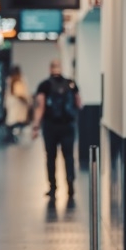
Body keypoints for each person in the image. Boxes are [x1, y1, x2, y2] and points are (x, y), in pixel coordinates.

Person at [32, 60, 82, 197]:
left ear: (50, 68)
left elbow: (40, 107)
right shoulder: (71, 84)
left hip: (50, 126)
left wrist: (36, 125)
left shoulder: (44, 85)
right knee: (69, 156)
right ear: (61, 68)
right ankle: (70, 184)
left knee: (50, 157)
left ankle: (53, 187)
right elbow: (79, 104)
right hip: (68, 126)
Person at [3, 65, 31, 143]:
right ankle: (10, 137)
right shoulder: (17, 79)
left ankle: (10, 136)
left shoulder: (11, 79)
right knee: (13, 120)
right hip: (17, 102)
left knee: (12, 121)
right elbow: (19, 92)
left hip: (15, 103)